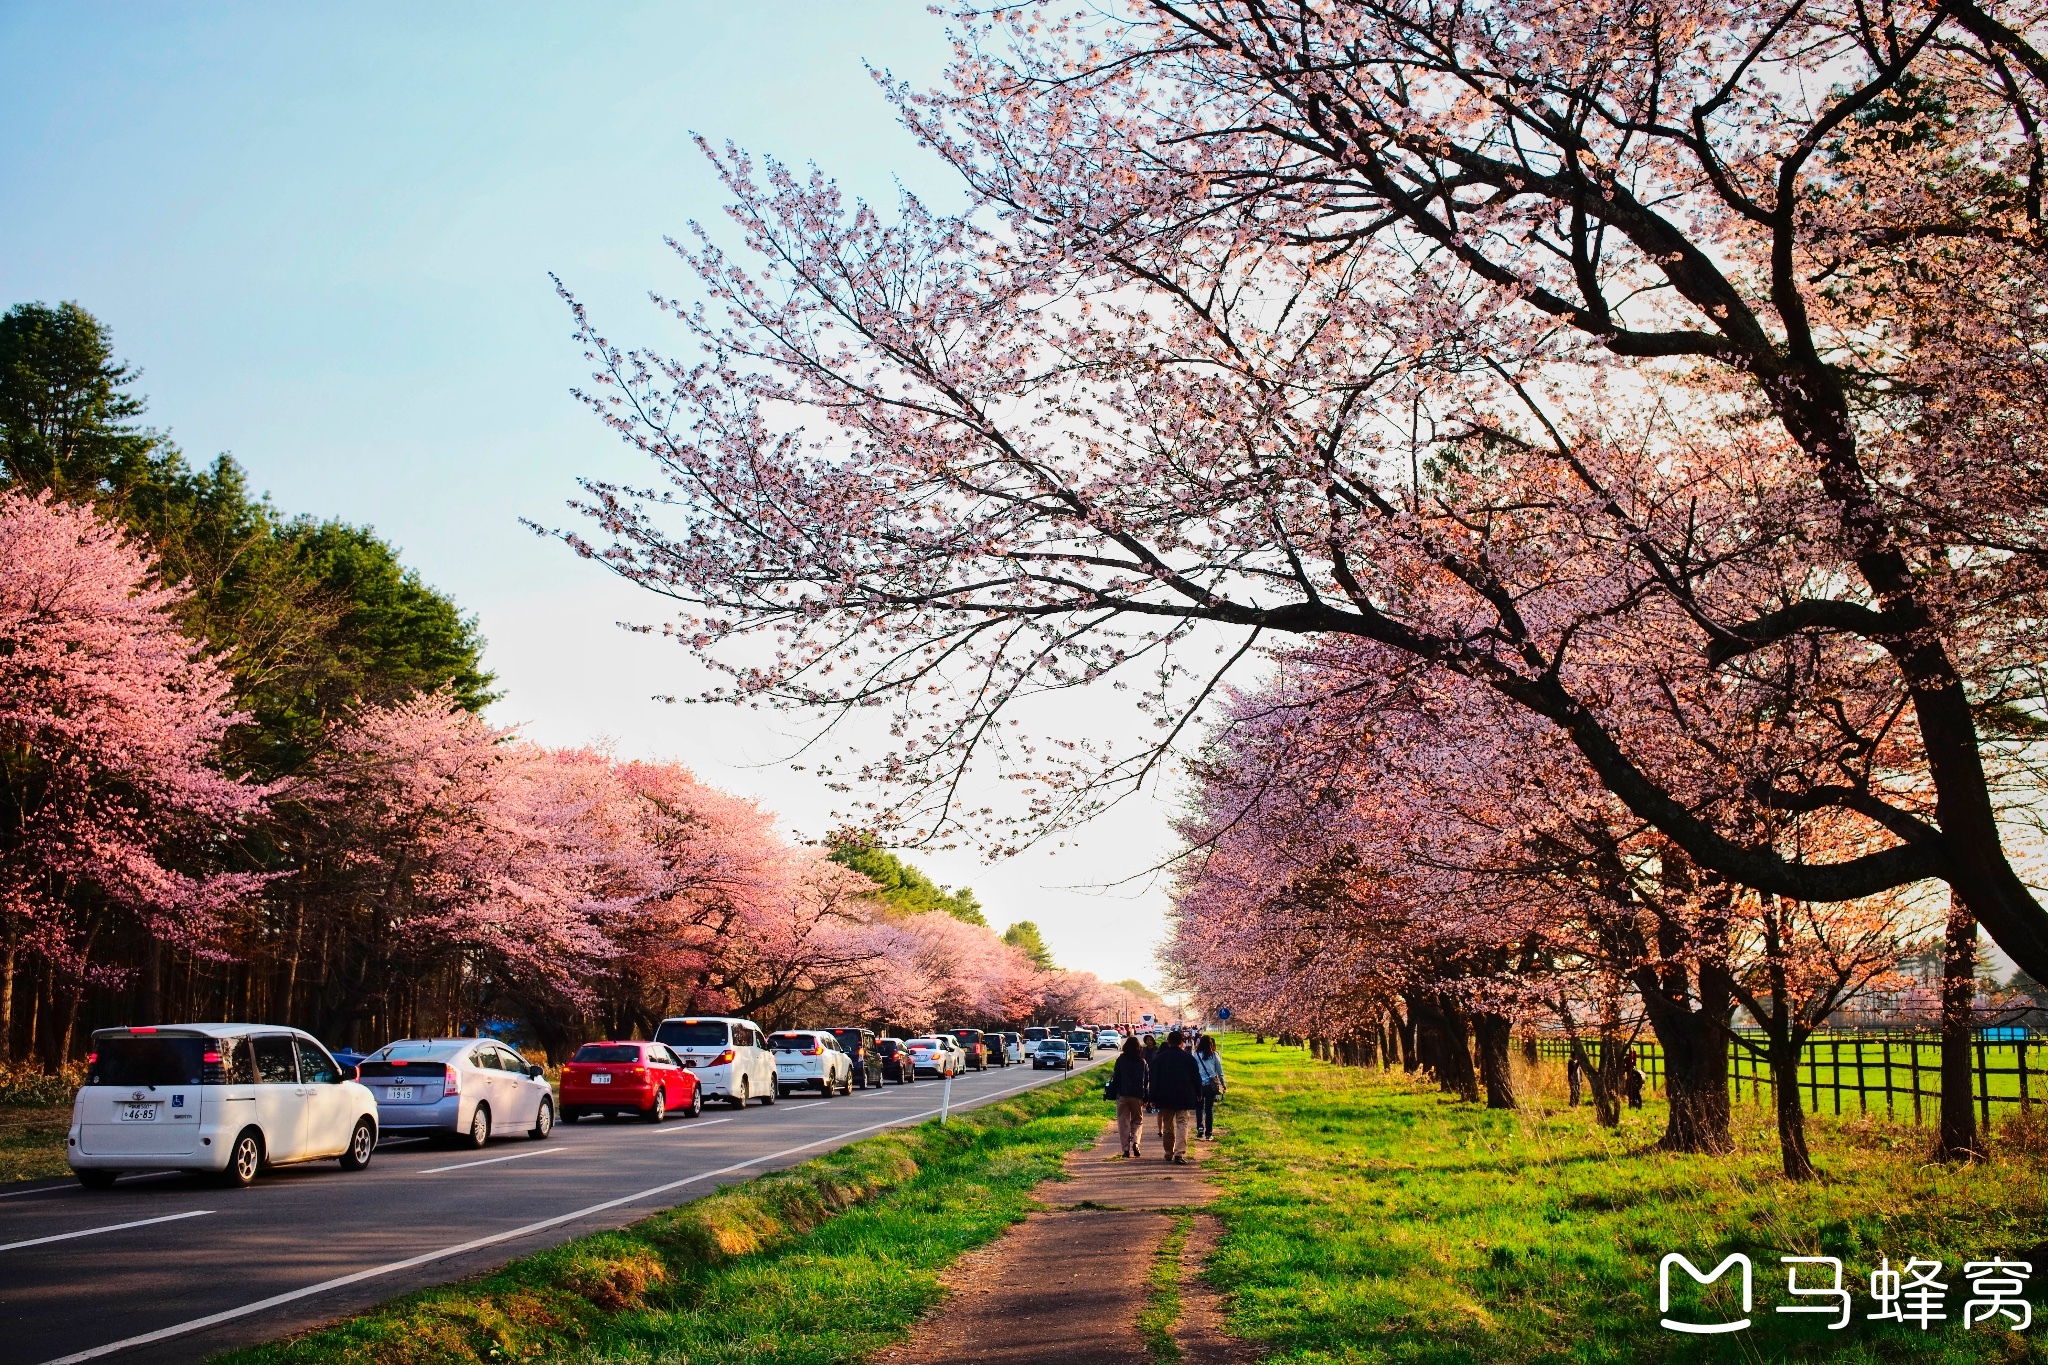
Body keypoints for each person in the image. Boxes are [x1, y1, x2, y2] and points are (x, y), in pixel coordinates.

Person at [1149, 1028, 1203, 1164]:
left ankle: (1168, 1152)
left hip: (1164, 1096)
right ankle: (1179, 1153)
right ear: (1181, 1042)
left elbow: (1153, 1079)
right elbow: (1196, 1078)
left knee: (1167, 1126)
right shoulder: (1188, 1058)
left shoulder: (1159, 1058)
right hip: (1184, 1096)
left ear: (1168, 1041)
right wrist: (1199, 1092)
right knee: (1182, 1124)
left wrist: (1152, 1097)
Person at [1111, 1037, 1150, 1158]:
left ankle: (1125, 1149)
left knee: (1123, 1121)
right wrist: (1146, 1097)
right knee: (1137, 1120)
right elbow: (1146, 1082)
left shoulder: (1121, 1060)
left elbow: (1116, 1077)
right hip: (1137, 1095)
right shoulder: (1142, 1062)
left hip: (1123, 1094)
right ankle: (1136, 1142)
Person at [1194, 1034, 1225, 1139]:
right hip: (1211, 1085)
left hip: (1199, 1085)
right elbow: (1220, 1072)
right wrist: (1223, 1084)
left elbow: (1193, 1071)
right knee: (1209, 1109)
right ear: (1210, 1044)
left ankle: (1200, 1127)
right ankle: (1209, 1133)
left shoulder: (1196, 1055)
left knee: (1199, 1107)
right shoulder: (1214, 1055)